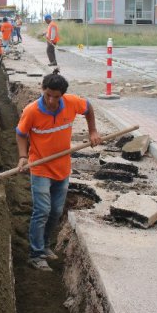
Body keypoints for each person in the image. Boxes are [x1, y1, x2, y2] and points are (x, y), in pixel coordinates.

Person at [15, 70, 102, 271]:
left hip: (62, 167)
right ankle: (35, 255)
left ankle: (45, 246)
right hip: (40, 167)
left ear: (62, 95)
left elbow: (88, 108)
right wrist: (22, 157)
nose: (52, 101)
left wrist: (93, 131)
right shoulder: (31, 111)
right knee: (42, 210)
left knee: (55, 211)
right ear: (42, 90)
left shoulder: (71, 103)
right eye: (48, 95)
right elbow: (20, 134)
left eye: (56, 96)